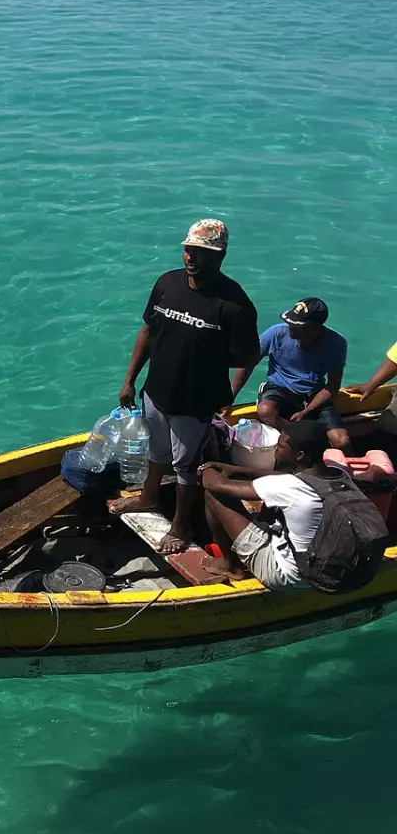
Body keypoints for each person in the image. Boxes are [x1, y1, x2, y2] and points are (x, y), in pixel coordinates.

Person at [110, 218, 260, 554]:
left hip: (195, 403)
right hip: (155, 392)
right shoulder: (167, 283)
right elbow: (148, 331)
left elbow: (249, 356)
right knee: (157, 452)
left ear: (219, 256)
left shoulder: (234, 306)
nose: (190, 257)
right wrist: (130, 380)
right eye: (187, 249)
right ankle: (148, 498)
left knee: (186, 468)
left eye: (200, 252)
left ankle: (181, 528)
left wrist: (230, 392)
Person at [198, 421, 339, 589]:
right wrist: (237, 470)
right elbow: (280, 476)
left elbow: (216, 485)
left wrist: (206, 468)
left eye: (280, 446)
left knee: (214, 495)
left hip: (289, 577)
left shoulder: (290, 486)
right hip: (325, 565)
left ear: (299, 455)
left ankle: (232, 567)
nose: (275, 449)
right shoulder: (339, 475)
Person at [225, 298, 352, 453]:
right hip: (279, 389)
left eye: (298, 325)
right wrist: (229, 398)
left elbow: (332, 386)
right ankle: (294, 440)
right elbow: (248, 364)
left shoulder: (337, 343)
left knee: (342, 441)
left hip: (313, 396)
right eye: (290, 321)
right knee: (265, 410)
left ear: (316, 329)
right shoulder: (276, 333)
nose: (290, 326)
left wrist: (307, 411)